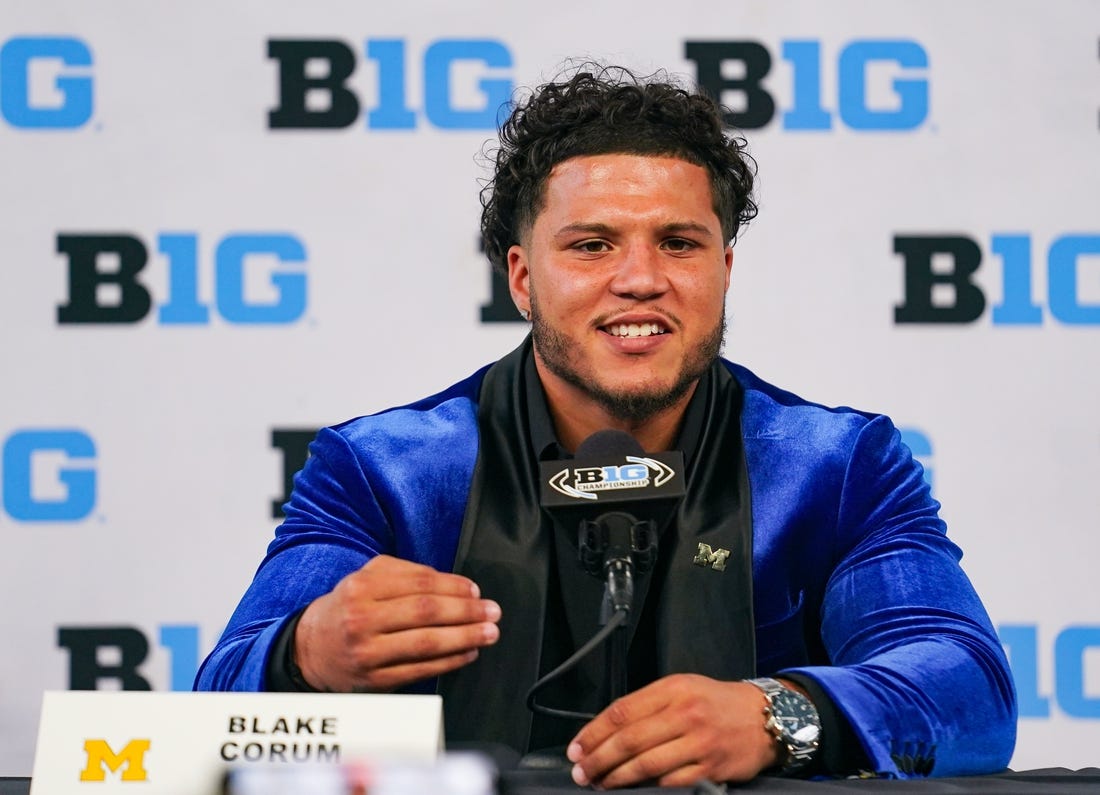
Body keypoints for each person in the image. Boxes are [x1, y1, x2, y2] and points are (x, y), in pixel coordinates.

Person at [195, 64, 1017, 787]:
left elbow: (967, 685)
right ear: (522, 278)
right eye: (591, 245)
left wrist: (777, 713)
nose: (640, 279)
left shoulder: (839, 465)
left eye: (680, 243)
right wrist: (303, 652)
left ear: (725, 269)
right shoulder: (383, 471)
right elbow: (212, 705)